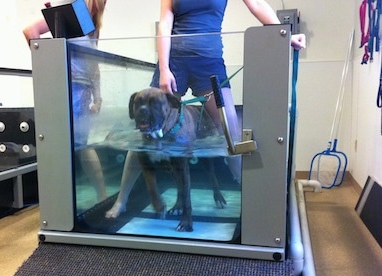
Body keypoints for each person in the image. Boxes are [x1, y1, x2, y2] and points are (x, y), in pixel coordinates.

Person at [106, 0, 306, 218]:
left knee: (232, 135)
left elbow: (257, 4)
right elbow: (165, 23)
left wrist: (283, 35)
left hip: (209, 62)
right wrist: (164, 68)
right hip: (174, 62)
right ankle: (121, 202)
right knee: (142, 139)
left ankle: (251, 199)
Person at [23, 0, 108, 202]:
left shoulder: (93, 25)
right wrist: (50, 62)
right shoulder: (74, 13)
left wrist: (98, 96)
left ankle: (100, 196)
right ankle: (61, 201)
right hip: (69, 89)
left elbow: (93, 63)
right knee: (68, 146)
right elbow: (30, 31)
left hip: (83, 91)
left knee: (82, 145)